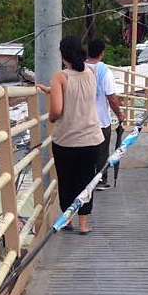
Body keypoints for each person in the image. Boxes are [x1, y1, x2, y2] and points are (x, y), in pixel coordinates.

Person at [39, 36, 103, 235]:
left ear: (62, 55)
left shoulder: (60, 77)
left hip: (67, 140)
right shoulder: (92, 71)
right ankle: (84, 224)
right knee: (85, 181)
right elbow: (78, 92)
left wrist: (50, 117)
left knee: (66, 181)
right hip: (92, 138)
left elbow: (57, 110)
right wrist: (52, 90)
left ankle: (67, 221)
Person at [86, 39, 125, 191]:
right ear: (102, 53)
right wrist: (120, 114)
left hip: (82, 121)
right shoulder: (104, 72)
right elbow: (111, 98)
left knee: (85, 152)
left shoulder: (79, 68)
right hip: (100, 121)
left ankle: (85, 179)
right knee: (102, 152)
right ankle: (101, 180)